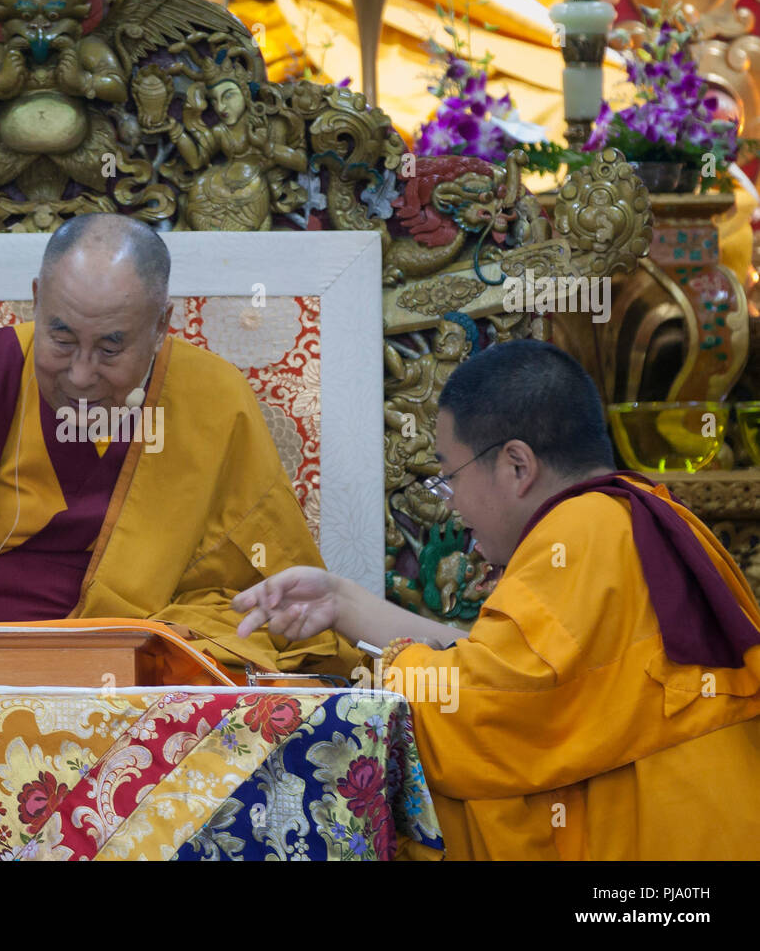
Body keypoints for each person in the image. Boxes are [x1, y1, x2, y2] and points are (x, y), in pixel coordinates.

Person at [234, 339, 760, 860]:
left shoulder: (580, 533)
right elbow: (504, 675)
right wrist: (340, 600)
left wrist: (379, 681)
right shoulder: (631, 517)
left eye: (449, 476)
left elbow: (481, 716)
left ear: (516, 465)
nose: (453, 503)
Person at [0, 213, 357, 677]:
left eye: (110, 348)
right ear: (36, 299)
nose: (79, 374)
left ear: (161, 325)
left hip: (134, 682)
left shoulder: (212, 399)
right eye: (60, 337)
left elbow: (270, 591)